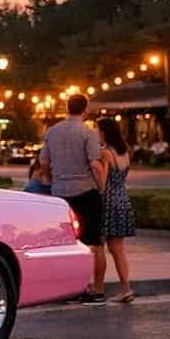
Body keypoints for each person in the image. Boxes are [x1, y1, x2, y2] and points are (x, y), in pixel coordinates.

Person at [39, 94, 107, 302]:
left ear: (68, 108)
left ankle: (66, 289)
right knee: (94, 244)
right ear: (85, 109)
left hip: (60, 194)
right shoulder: (88, 132)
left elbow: (43, 162)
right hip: (86, 191)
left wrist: (51, 181)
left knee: (65, 244)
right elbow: (95, 163)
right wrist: (101, 187)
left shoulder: (52, 131)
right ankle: (97, 289)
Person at [96, 117, 136, 302]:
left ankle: (99, 286)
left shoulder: (106, 153)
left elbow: (103, 183)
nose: (97, 133)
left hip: (109, 200)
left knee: (101, 246)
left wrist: (95, 168)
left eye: (98, 130)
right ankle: (126, 287)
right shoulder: (125, 152)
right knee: (119, 248)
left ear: (105, 132)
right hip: (123, 199)